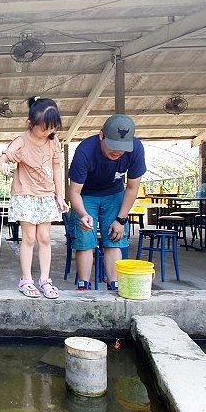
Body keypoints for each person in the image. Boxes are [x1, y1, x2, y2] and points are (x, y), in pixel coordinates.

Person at [0, 97, 67, 299]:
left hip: (46, 196)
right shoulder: (22, 140)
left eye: (52, 128)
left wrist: (59, 196)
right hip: (25, 194)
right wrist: (3, 165)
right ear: (30, 124)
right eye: (44, 128)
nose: (48, 133)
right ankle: (26, 280)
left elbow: (56, 168)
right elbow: (2, 158)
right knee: (29, 238)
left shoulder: (53, 142)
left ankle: (45, 280)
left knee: (44, 238)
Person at [67, 113, 146, 291]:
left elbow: (132, 188)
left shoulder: (136, 150)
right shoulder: (85, 151)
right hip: (86, 195)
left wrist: (121, 219)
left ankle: (114, 286)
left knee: (114, 238)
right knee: (85, 239)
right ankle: (83, 286)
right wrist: (82, 214)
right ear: (101, 135)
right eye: (113, 146)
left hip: (114, 194)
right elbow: (74, 191)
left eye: (122, 148)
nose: (117, 152)